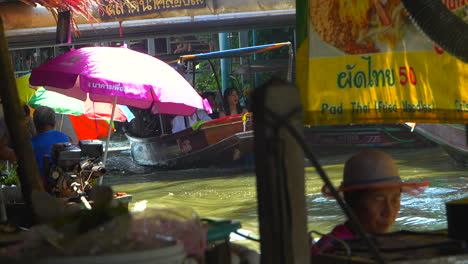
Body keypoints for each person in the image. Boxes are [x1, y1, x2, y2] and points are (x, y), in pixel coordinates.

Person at [310, 149, 429, 255]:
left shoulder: (381, 243)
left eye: (395, 199)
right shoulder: (333, 249)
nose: (389, 211)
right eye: (379, 199)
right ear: (352, 201)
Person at [31, 106, 70, 183]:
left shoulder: (31, 143)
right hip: (63, 185)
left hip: (40, 187)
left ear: (35, 124)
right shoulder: (65, 138)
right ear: (54, 122)